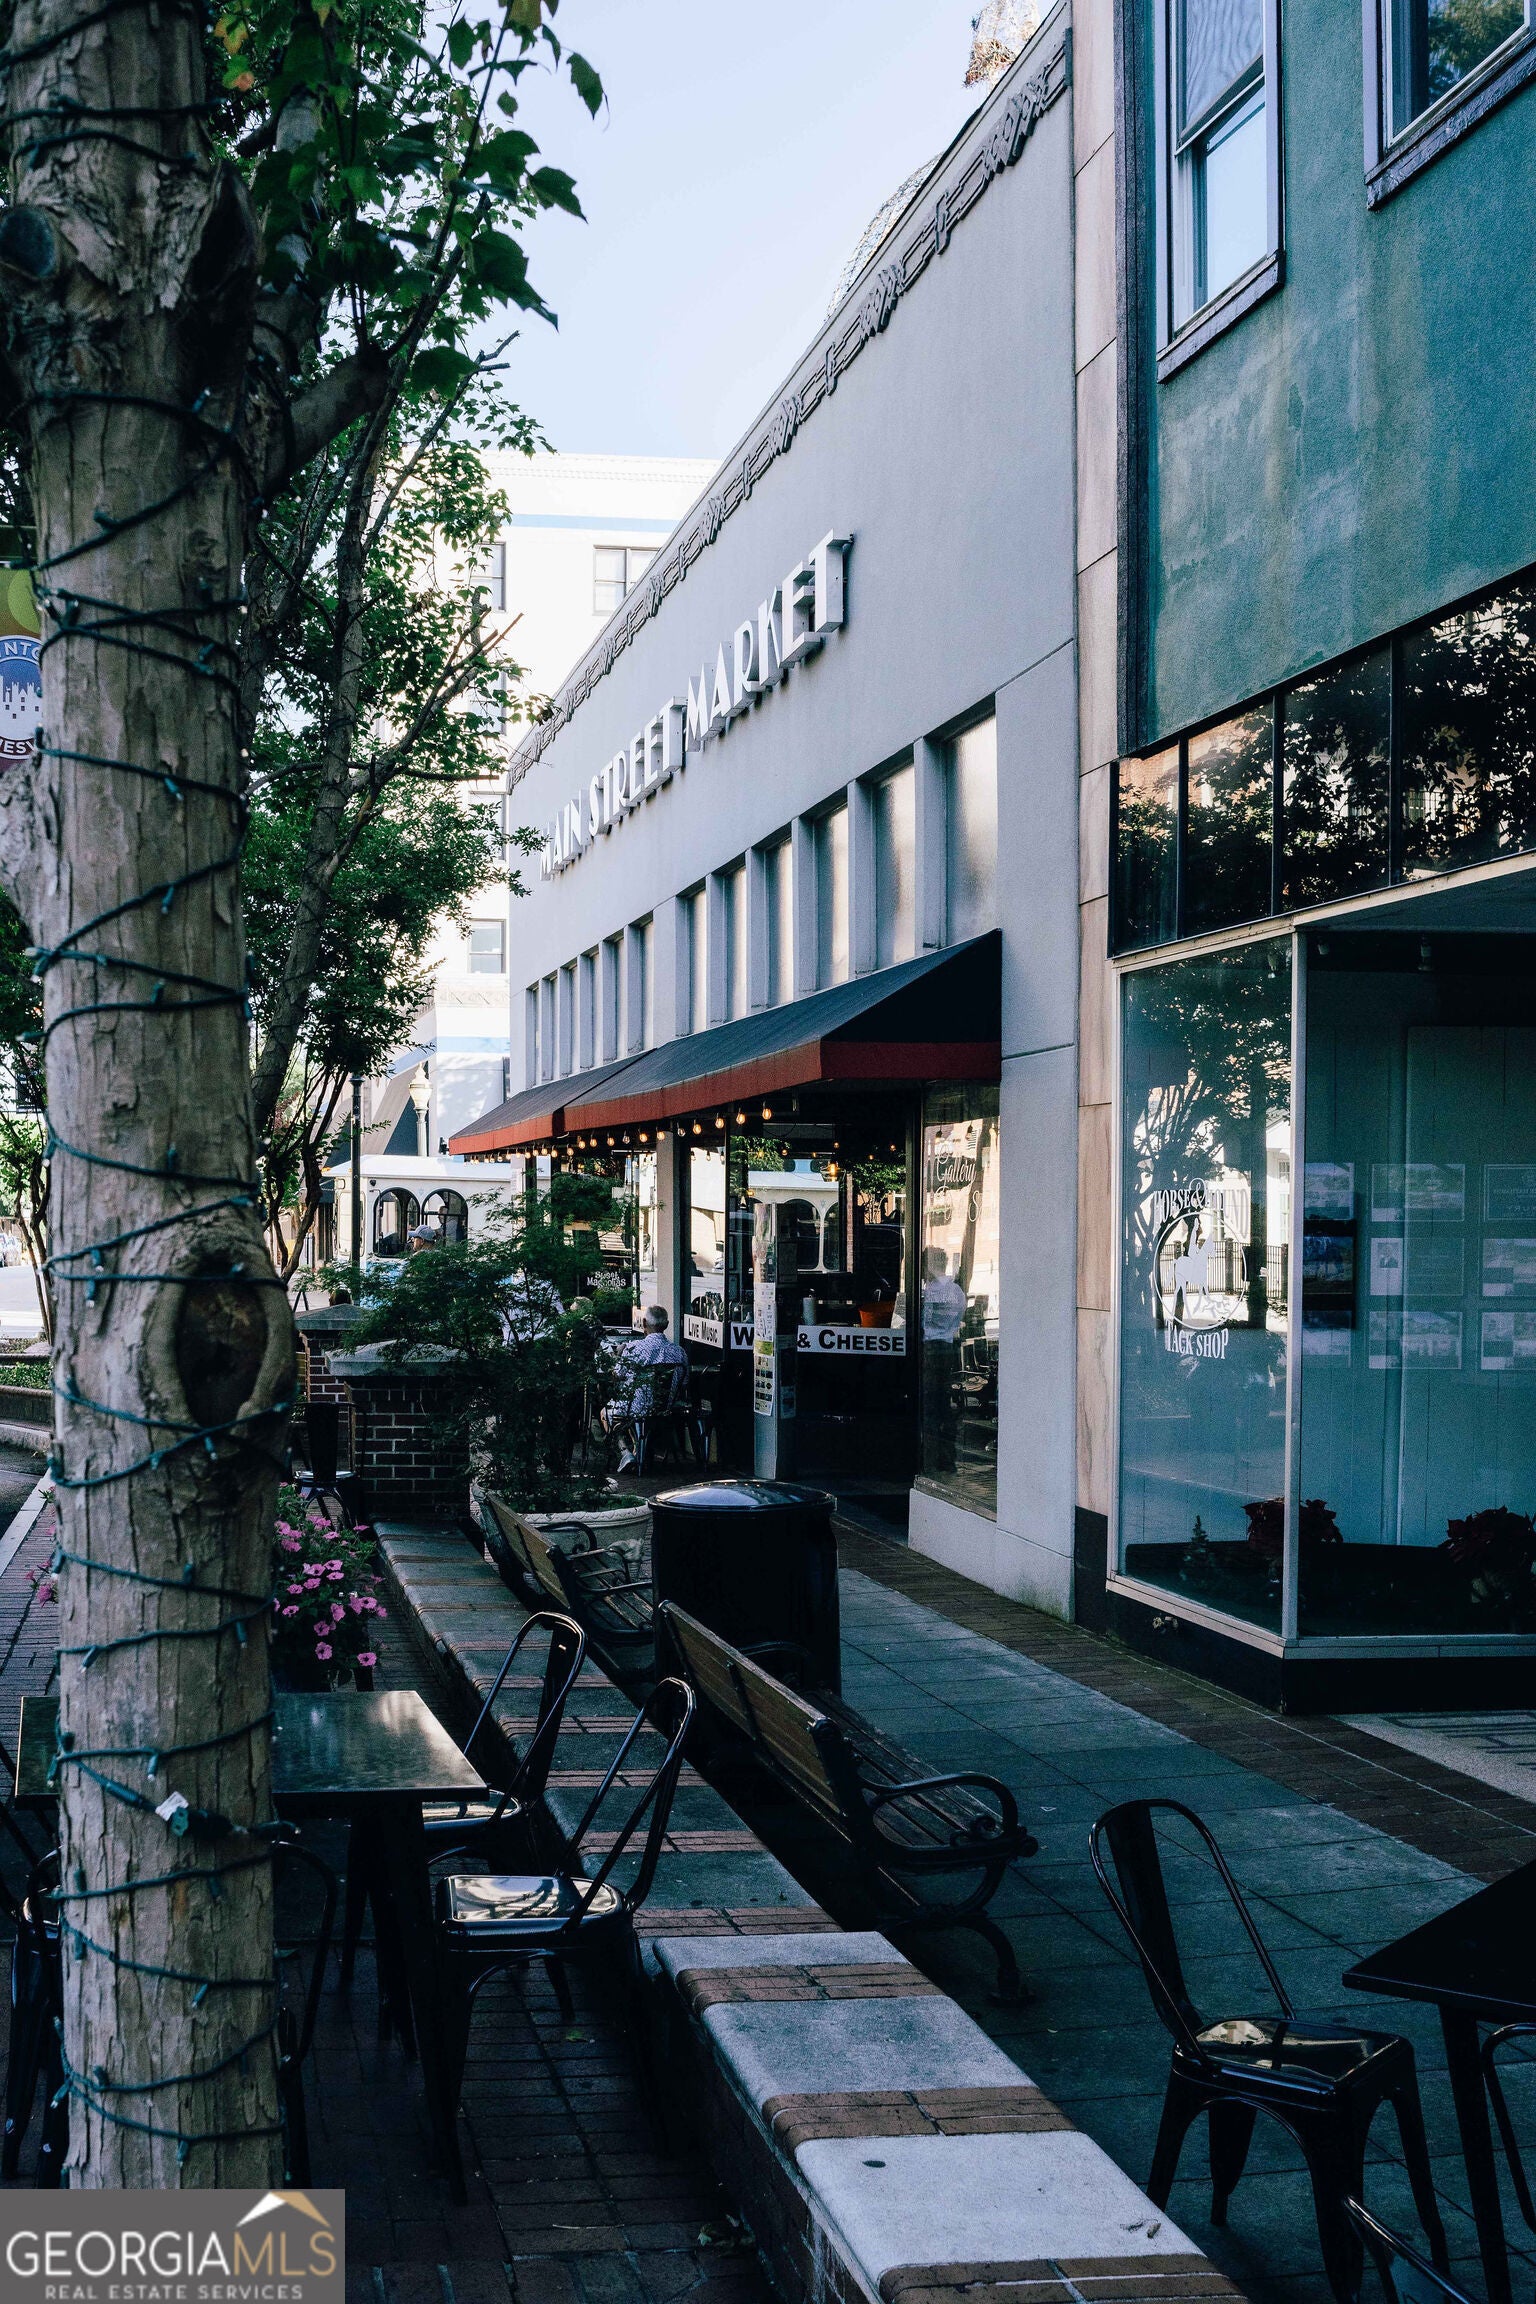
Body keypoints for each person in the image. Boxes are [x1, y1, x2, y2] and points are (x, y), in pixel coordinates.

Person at [604, 1305, 689, 1472]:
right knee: (633, 1410)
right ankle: (639, 1451)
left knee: (606, 1412)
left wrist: (616, 1357)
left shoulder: (634, 1348)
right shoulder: (679, 1352)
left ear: (644, 1323)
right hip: (665, 1409)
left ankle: (625, 1453)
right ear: (667, 1324)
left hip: (635, 1408)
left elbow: (616, 1375)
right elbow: (684, 1383)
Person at [920, 1247, 967, 1474]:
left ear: (929, 1265)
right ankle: (947, 1459)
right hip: (948, 1348)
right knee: (944, 1403)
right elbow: (958, 1319)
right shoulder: (957, 1291)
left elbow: (924, 1322)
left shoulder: (930, 1291)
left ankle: (929, 1458)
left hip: (930, 1348)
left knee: (929, 1404)